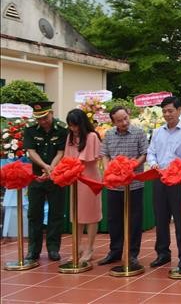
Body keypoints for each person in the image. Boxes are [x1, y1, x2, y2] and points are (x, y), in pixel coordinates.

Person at [146, 96, 181, 270]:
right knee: (160, 217)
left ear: (179, 110)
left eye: (171, 111)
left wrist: (174, 169)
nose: (167, 114)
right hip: (159, 178)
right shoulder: (157, 132)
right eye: (165, 111)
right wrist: (154, 164)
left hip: (179, 181)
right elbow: (151, 152)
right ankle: (163, 253)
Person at [98, 105, 148, 267]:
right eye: (119, 121)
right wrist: (108, 169)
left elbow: (144, 154)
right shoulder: (109, 134)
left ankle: (133, 253)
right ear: (114, 122)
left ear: (129, 115)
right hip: (114, 185)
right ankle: (115, 251)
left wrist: (130, 167)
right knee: (114, 219)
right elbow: (104, 154)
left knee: (134, 219)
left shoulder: (139, 132)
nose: (124, 122)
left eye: (125, 118)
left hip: (134, 184)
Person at [24, 101, 68, 262]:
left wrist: (51, 169)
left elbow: (61, 152)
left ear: (51, 113)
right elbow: (31, 151)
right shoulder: (30, 130)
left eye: (45, 117)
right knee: (34, 214)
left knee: (56, 214)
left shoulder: (63, 130)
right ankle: (33, 250)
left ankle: (53, 248)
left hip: (56, 178)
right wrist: (44, 166)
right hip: (36, 178)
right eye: (39, 118)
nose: (42, 121)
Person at [63, 108, 102, 263]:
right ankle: (77, 246)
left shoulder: (92, 136)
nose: (73, 129)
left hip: (90, 179)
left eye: (76, 125)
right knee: (76, 215)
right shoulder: (70, 137)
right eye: (71, 126)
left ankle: (89, 248)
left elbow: (89, 159)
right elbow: (67, 158)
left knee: (91, 215)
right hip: (75, 180)